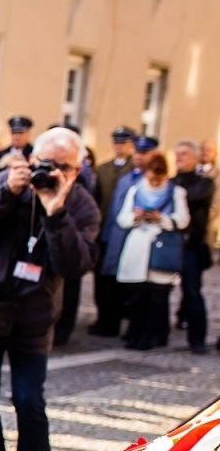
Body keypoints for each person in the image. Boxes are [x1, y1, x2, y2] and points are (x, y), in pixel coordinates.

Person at [0, 127, 98, 451]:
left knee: (29, 401)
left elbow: (74, 265)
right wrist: (5, 194)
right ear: (31, 159)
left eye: (61, 167)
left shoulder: (81, 205)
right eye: (44, 163)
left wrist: (56, 213)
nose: (50, 172)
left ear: (77, 171)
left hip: (33, 317)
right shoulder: (2, 182)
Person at [116, 151, 190, 352]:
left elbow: (183, 220)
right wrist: (136, 216)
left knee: (157, 299)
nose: (156, 182)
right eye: (152, 178)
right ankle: (134, 335)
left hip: (162, 248)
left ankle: (151, 336)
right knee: (136, 298)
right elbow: (121, 218)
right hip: (138, 247)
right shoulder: (135, 190)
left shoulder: (176, 192)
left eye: (160, 179)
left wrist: (162, 219)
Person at [93, 134, 158, 339]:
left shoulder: (153, 180)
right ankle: (109, 322)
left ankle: (136, 328)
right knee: (108, 283)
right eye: (138, 152)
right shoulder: (125, 178)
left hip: (137, 237)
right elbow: (112, 209)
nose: (139, 157)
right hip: (114, 234)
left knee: (134, 287)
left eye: (144, 153)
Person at [85, 127, 138, 337]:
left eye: (124, 143)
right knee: (101, 279)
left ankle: (118, 318)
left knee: (121, 280)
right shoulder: (104, 169)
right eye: (117, 142)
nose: (120, 146)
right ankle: (103, 317)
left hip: (125, 232)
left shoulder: (135, 169)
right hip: (104, 228)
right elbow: (96, 199)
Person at [173, 139, 214, 352]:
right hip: (170, 242)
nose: (179, 158)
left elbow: (193, 197)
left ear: (196, 157)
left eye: (184, 154)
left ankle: (197, 340)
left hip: (192, 245)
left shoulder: (204, 183)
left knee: (192, 292)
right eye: (177, 154)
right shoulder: (171, 181)